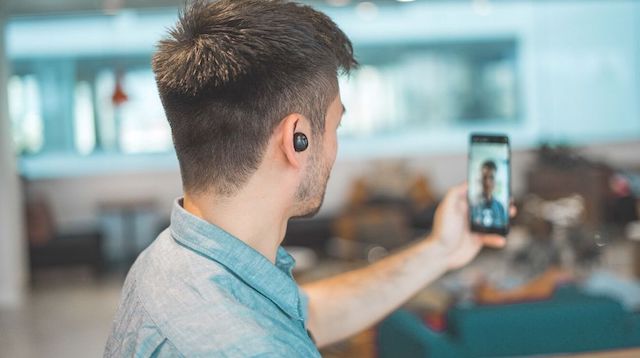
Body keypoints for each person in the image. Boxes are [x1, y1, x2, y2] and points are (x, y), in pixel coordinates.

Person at [105, 1, 511, 356]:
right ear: (296, 139)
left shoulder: (171, 261)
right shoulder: (253, 347)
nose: (335, 147)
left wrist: (441, 249)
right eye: (336, 126)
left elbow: (308, 313)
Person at [471, 160, 507, 228]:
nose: (487, 182)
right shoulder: (472, 206)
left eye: (491, 177)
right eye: (484, 177)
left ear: (495, 181)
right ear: (480, 179)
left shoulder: (500, 207)